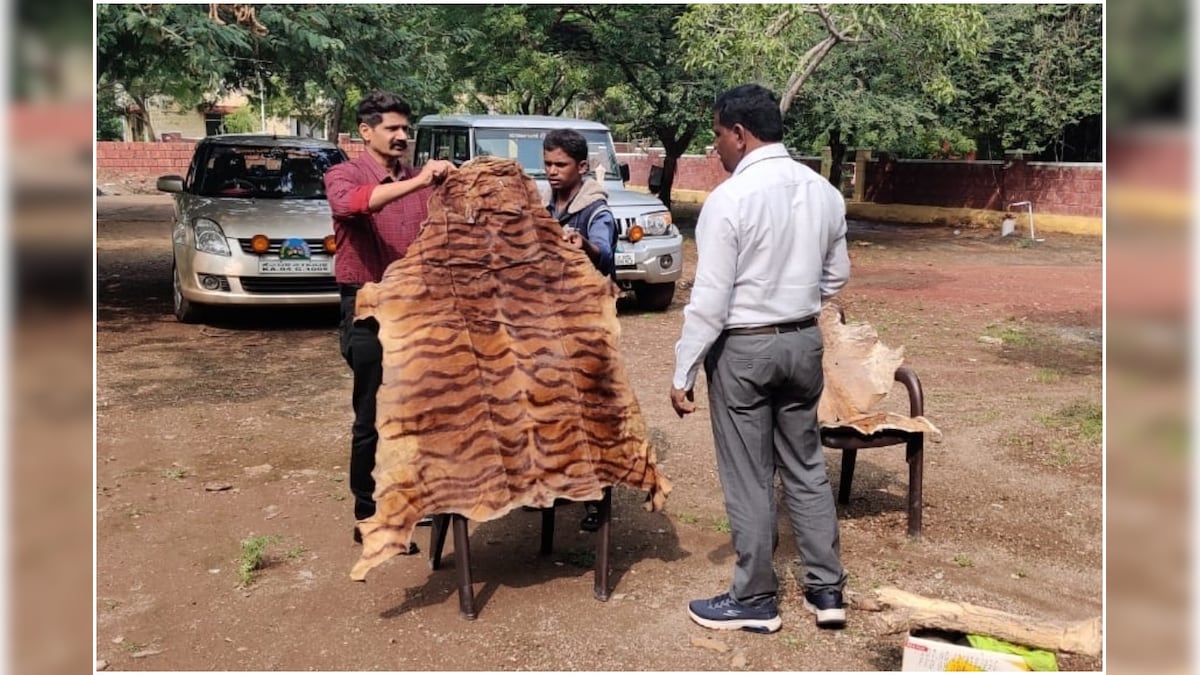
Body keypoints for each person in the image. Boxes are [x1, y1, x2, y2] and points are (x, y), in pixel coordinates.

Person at [669, 84, 851, 634]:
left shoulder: (730, 198)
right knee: (804, 465)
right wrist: (797, 304)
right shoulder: (824, 192)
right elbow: (837, 276)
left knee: (749, 475)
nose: (715, 146)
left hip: (745, 348)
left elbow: (709, 300)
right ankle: (827, 591)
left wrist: (683, 371)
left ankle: (755, 600)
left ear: (740, 133)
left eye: (718, 135)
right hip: (802, 343)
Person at [323, 90, 456, 545]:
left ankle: (406, 501)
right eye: (392, 129)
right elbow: (354, 205)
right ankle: (368, 512)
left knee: (418, 410)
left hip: (417, 310)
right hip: (367, 309)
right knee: (371, 415)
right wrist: (421, 184)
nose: (402, 136)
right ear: (366, 132)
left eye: (406, 128)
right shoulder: (344, 174)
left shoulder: (420, 179)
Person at [542, 128, 618, 531]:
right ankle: (556, 487)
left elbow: (604, 257)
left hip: (588, 332)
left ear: (582, 167)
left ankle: (596, 500)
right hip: (553, 331)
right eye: (548, 163)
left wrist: (583, 244)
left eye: (561, 165)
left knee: (592, 414)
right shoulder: (548, 205)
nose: (552, 171)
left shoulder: (595, 211)